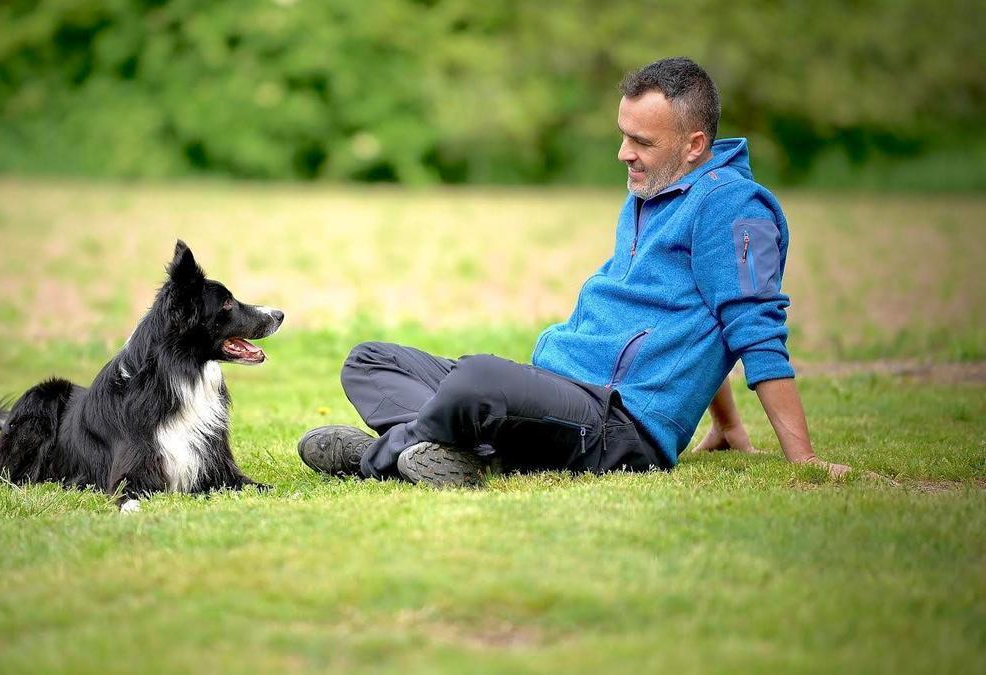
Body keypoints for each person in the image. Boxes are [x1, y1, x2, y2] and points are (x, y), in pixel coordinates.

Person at [297, 57, 852, 487]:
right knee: (370, 360)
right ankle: (447, 453)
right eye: (623, 134)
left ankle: (382, 459)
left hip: (618, 426)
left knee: (478, 381)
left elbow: (751, 327)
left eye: (641, 141)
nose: (623, 153)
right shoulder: (652, 193)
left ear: (694, 145)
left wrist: (803, 460)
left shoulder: (735, 208)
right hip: (562, 393)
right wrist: (727, 425)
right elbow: (694, 317)